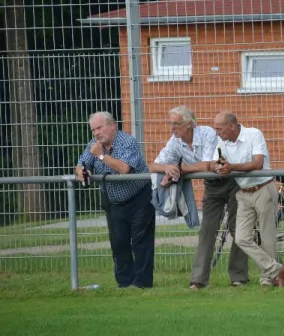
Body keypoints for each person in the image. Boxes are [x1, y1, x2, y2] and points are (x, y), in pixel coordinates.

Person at [148, 106, 248, 289]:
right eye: (170, 123)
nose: (172, 127)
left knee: (237, 229)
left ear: (189, 124)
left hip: (232, 181)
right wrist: (167, 169)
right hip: (212, 186)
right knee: (207, 231)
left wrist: (179, 169)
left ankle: (238, 277)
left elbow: (208, 164)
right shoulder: (175, 141)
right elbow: (153, 165)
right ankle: (198, 280)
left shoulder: (207, 133)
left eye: (176, 123)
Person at [74, 112, 155, 288]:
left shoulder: (127, 142)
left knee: (141, 242)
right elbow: (81, 164)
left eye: (99, 128)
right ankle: (124, 284)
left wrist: (101, 156)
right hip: (113, 201)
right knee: (119, 243)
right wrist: (81, 171)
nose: (96, 133)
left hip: (139, 197)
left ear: (113, 125)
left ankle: (142, 283)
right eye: (93, 130)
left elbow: (124, 169)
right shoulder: (93, 145)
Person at [209, 111, 284, 288]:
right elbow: (215, 163)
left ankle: (268, 279)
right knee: (241, 238)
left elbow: (257, 163)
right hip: (243, 193)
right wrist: (218, 166)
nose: (217, 133)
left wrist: (231, 168)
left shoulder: (254, 134)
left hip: (263, 189)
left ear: (231, 125)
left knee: (267, 238)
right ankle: (276, 268)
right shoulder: (222, 143)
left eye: (219, 128)